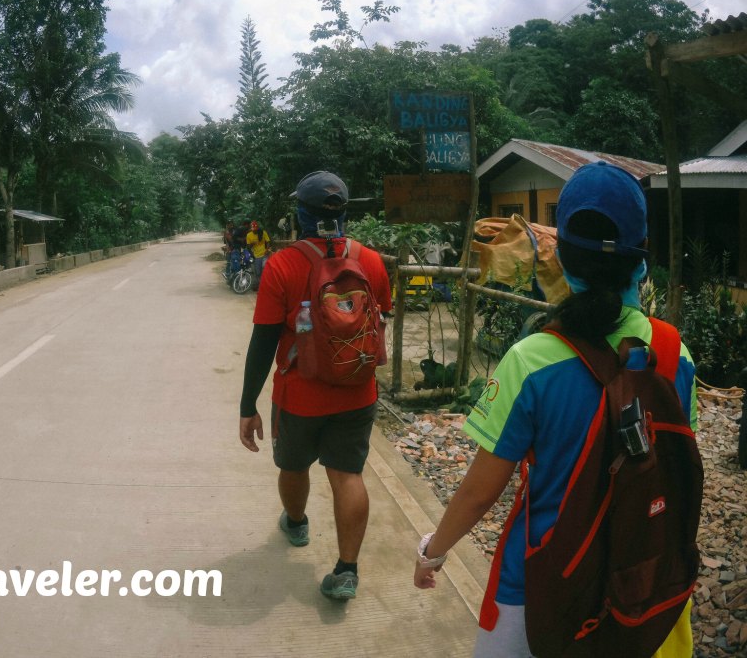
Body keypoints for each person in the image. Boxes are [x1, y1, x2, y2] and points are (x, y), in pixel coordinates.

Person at [412, 162, 697, 657]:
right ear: (642, 262)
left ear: (561, 258)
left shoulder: (532, 360)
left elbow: (482, 491)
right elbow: (679, 467)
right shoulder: (673, 354)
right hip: (642, 580)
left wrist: (432, 553)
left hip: (543, 584)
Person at [238, 170, 392, 601]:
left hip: (299, 396)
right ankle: (346, 571)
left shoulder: (281, 266)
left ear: (299, 214)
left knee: (293, 466)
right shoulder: (372, 261)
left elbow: (263, 341)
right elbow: (381, 321)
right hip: (358, 392)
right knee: (348, 475)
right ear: (344, 214)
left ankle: (297, 522)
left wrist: (247, 405)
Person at [245, 221, 271, 290]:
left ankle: (265, 284)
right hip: (256, 256)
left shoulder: (263, 232)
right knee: (258, 272)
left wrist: (267, 249)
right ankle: (259, 285)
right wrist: (252, 247)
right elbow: (248, 247)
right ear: (251, 228)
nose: (254, 230)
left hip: (264, 254)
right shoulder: (249, 235)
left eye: (255, 228)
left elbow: (268, 241)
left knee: (264, 267)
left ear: (257, 228)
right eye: (253, 229)